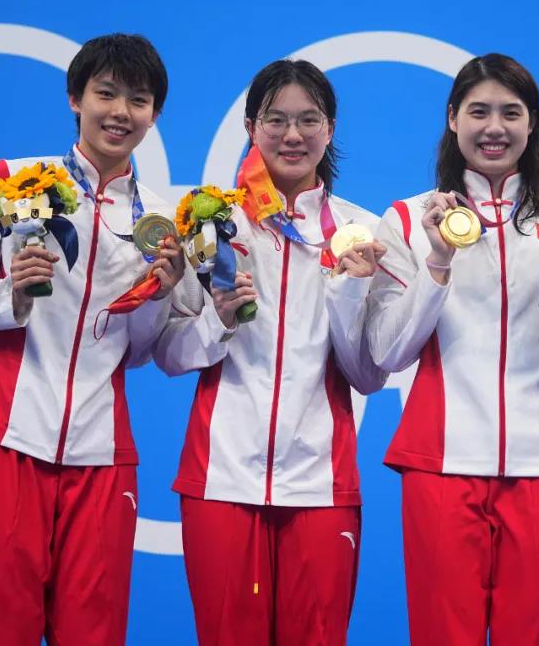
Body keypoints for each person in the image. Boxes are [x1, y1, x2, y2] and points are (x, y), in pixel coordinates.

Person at [0, 33, 192, 645]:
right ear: (75, 97)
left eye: (138, 99)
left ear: (154, 115)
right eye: (105, 93)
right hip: (5, 438)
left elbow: (142, 350)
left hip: (101, 458)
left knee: (93, 634)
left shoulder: (158, 221)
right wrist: (11, 299)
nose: (120, 112)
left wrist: (158, 297)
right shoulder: (14, 181)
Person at [365, 53, 539, 645]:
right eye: (478, 111)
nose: (494, 127)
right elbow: (387, 352)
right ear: (453, 119)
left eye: (511, 112)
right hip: (440, 467)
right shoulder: (406, 219)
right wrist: (438, 263)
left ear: (533, 126)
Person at [153, 59, 386, 646]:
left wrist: (351, 287)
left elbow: (368, 375)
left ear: (329, 130)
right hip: (221, 478)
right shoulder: (210, 223)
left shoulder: (361, 232)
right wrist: (218, 320)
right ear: (252, 127)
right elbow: (170, 355)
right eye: (277, 120)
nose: (293, 135)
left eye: (309, 120)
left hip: (321, 484)